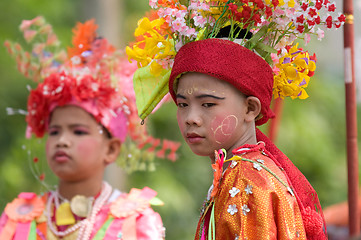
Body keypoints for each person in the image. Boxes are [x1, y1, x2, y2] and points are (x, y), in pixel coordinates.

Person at [126, 1, 345, 239]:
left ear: (250, 108)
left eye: (208, 104)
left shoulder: (245, 181)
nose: (191, 118)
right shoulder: (239, 171)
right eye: (182, 104)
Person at [0, 16, 179, 239]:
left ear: (111, 149)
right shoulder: (19, 220)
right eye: (54, 131)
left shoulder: (134, 222)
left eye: (78, 131)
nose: (62, 140)